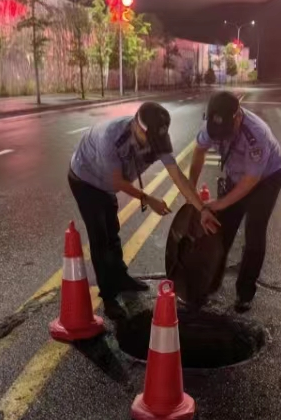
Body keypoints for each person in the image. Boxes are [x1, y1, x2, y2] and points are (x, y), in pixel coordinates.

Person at [68, 101, 219, 319]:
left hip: (107, 182)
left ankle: (121, 277)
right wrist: (149, 199)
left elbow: (177, 176)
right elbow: (117, 182)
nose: (153, 146)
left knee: (112, 231)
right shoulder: (111, 138)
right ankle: (109, 297)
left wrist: (202, 209)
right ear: (137, 126)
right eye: (150, 139)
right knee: (100, 236)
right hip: (86, 178)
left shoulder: (158, 141)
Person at [189, 91, 281, 313]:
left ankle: (245, 292)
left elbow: (251, 181)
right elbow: (199, 150)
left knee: (254, 233)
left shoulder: (256, 135)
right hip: (236, 176)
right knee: (221, 230)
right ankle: (210, 284)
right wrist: (191, 187)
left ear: (238, 117)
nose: (221, 138)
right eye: (217, 134)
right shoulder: (211, 126)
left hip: (265, 180)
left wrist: (220, 204)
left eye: (226, 132)